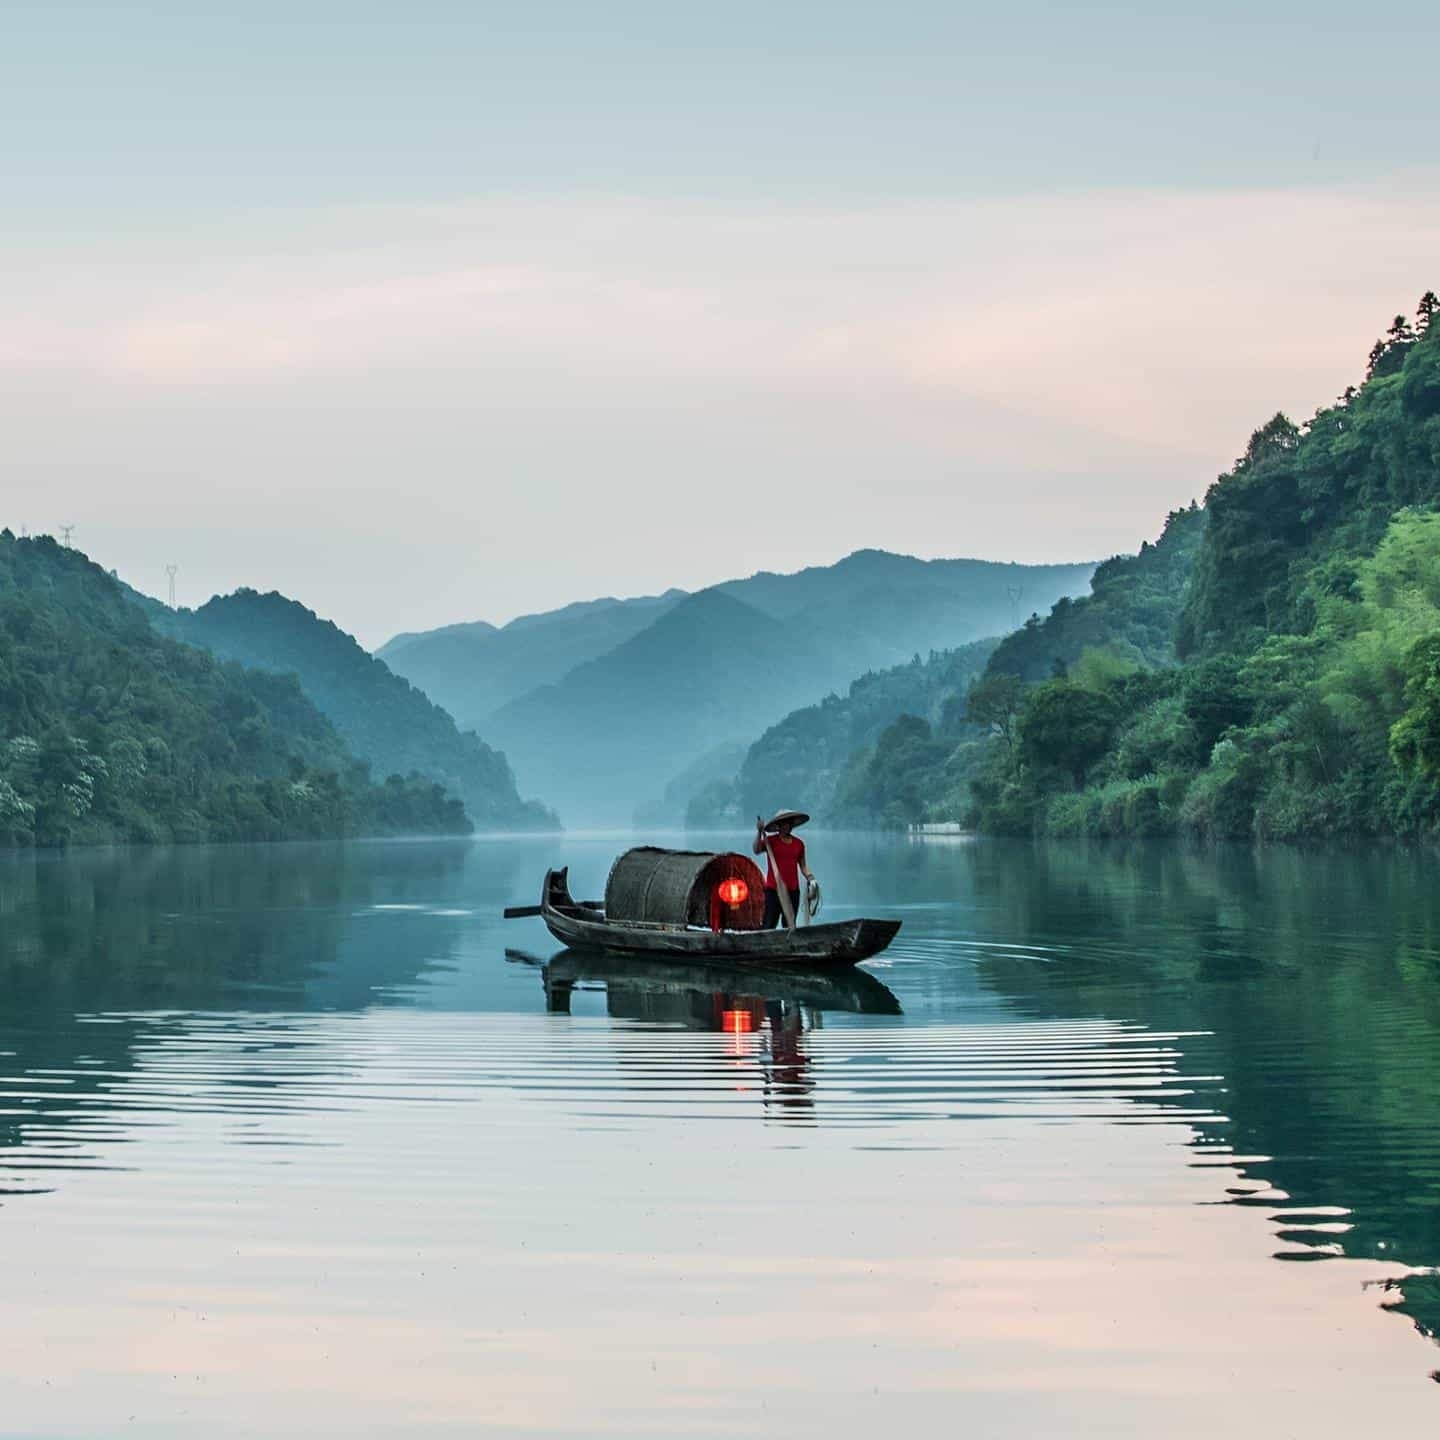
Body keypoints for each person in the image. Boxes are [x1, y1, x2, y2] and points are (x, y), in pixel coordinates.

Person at [752, 809, 815, 929]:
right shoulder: (770, 841)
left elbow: (803, 866)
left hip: (793, 891)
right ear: (778, 826)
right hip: (773, 890)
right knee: (769, 924)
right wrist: (759, 832)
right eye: (784, 823)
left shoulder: (799, 844)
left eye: (789, 823)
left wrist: (810, 878)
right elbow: (756, 850)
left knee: (790, 925)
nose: (787, 826)